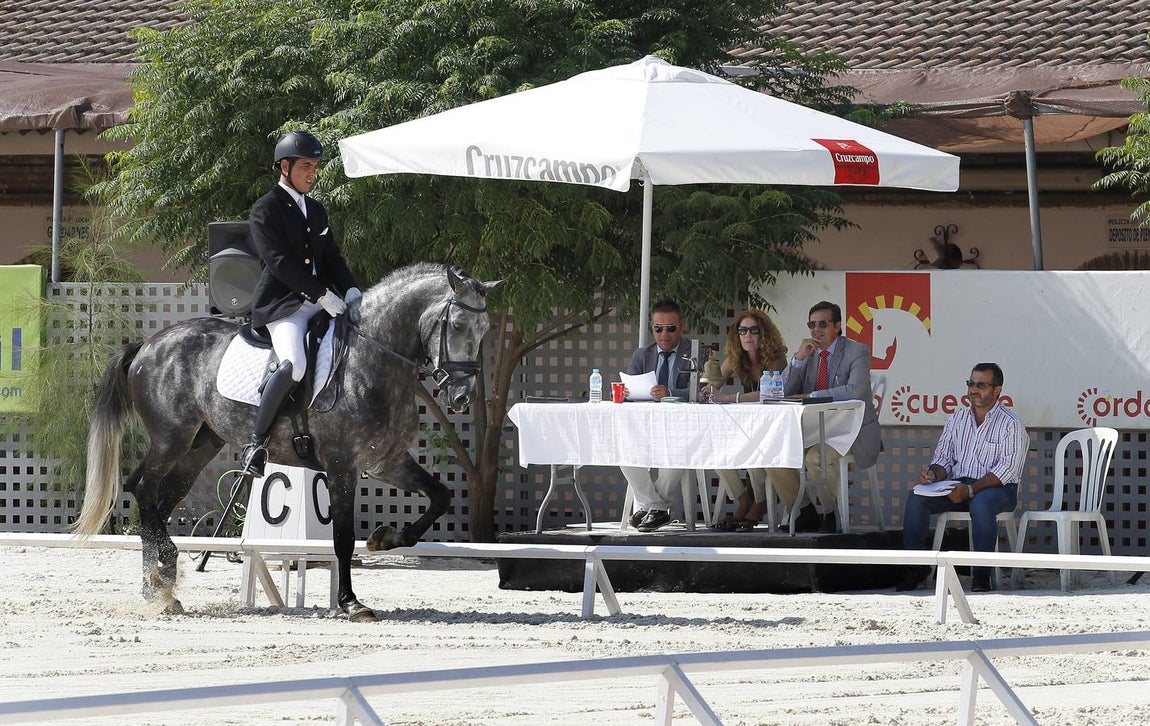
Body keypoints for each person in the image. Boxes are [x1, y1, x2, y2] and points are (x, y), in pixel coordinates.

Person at [240, 130, 362, 477]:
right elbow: (279, 263)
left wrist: (351, 288)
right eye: (306, 166)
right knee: (294, 363)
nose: (312, 173)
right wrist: (321, 294)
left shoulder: (317, 210)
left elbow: (333, 258)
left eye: (315, 167)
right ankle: (256, 443)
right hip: (283, 306)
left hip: (321, 302)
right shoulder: (265, 209)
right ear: (285, 165)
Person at [897, 363, 1029, 592]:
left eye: (980, 385)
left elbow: (1007, 469)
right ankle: (917, 568)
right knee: (917, 497)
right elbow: (944, 460)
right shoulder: (957, 419)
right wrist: (932, 474)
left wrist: (970, 490)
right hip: (959, 485)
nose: (973, 389)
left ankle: (981, 576)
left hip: (998, 489)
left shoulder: (1011, 423)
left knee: (982, 503)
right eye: (970, 383)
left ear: (997, 391)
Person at [768, 301, 882, 533]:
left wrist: (813, 394)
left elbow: (856, 390)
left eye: (823, 324)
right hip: (812, 427)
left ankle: (833, 513)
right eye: (812, 324)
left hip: (850, 430)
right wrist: (799, 359)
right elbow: (783, 392)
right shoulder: (808, 352)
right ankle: (805, 510)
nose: (816, 330)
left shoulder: (856, 350)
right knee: (771, 453)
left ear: (838, 326)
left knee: (815, 458)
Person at [701, 309, 788, 530]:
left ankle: (760, 503)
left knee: (753, 453)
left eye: (753, 330)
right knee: (715, 452)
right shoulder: (735, 358)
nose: (747, 336)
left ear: (764, 334)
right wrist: (707, 390)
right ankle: (743, 500)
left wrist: (730, 398)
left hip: (774, 428)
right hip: (746, 426)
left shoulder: (776, 358)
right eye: (742, 331)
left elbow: (771, 394)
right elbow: (715, 385)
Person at [620, 300, 695, 531]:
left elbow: (702, 390)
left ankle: (652, 507)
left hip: (683, 426)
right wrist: (626, 391)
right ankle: (657, 507)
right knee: (623, 452)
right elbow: (629, 384)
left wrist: (670, 392)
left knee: (680, 452)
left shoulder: (694, 351)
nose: (664, 334)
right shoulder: (642, 354)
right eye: (658, 328)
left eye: (671, 328)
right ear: (651, 327)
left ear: (681, 326)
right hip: (647, 426)